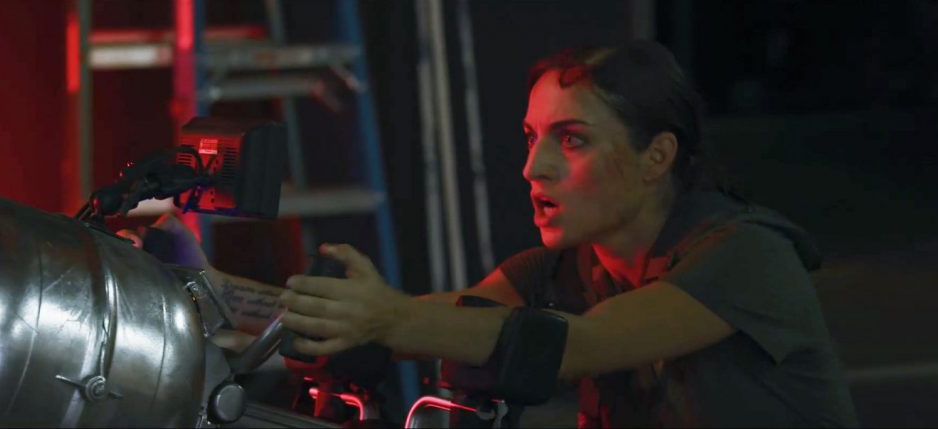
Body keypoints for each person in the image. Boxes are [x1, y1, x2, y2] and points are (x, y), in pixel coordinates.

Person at [147, 40, 858, 427]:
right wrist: (212, 293)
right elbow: (432, 322)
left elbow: (581, 344)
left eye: (571, 140)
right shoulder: (564, 268)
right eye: (530, 136)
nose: (532, 166)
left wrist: (387, 316)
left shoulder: (746, 256)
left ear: (657, 157)